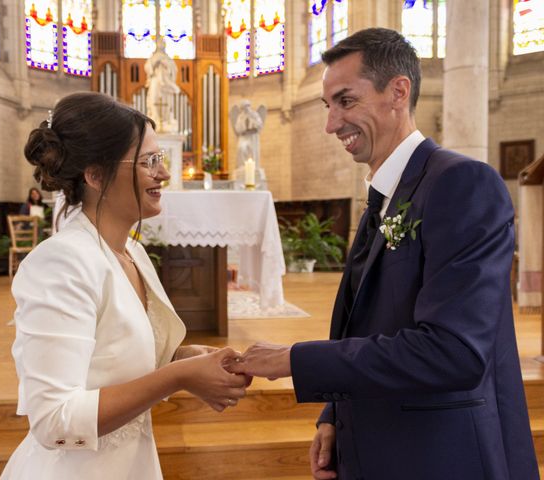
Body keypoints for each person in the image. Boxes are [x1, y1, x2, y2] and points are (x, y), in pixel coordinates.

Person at [227, 28, 539, 480]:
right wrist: (334, 415)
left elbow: (453, 352)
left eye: (346, 101)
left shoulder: (460, 184)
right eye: (327, 105)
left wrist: (294, 360)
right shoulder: (385, 193)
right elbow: (364, 318)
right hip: (373, 441)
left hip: (437, 454)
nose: (331, 124)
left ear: (398, 91)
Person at [0, 92, 248, 479]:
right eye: (149, 161)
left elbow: (111, 362)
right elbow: (54, 421)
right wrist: (178, 376)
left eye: (159, 159)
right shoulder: (60, 263)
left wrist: (184, 359)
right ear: (95, 175)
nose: (163, 174)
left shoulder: (132, 252)